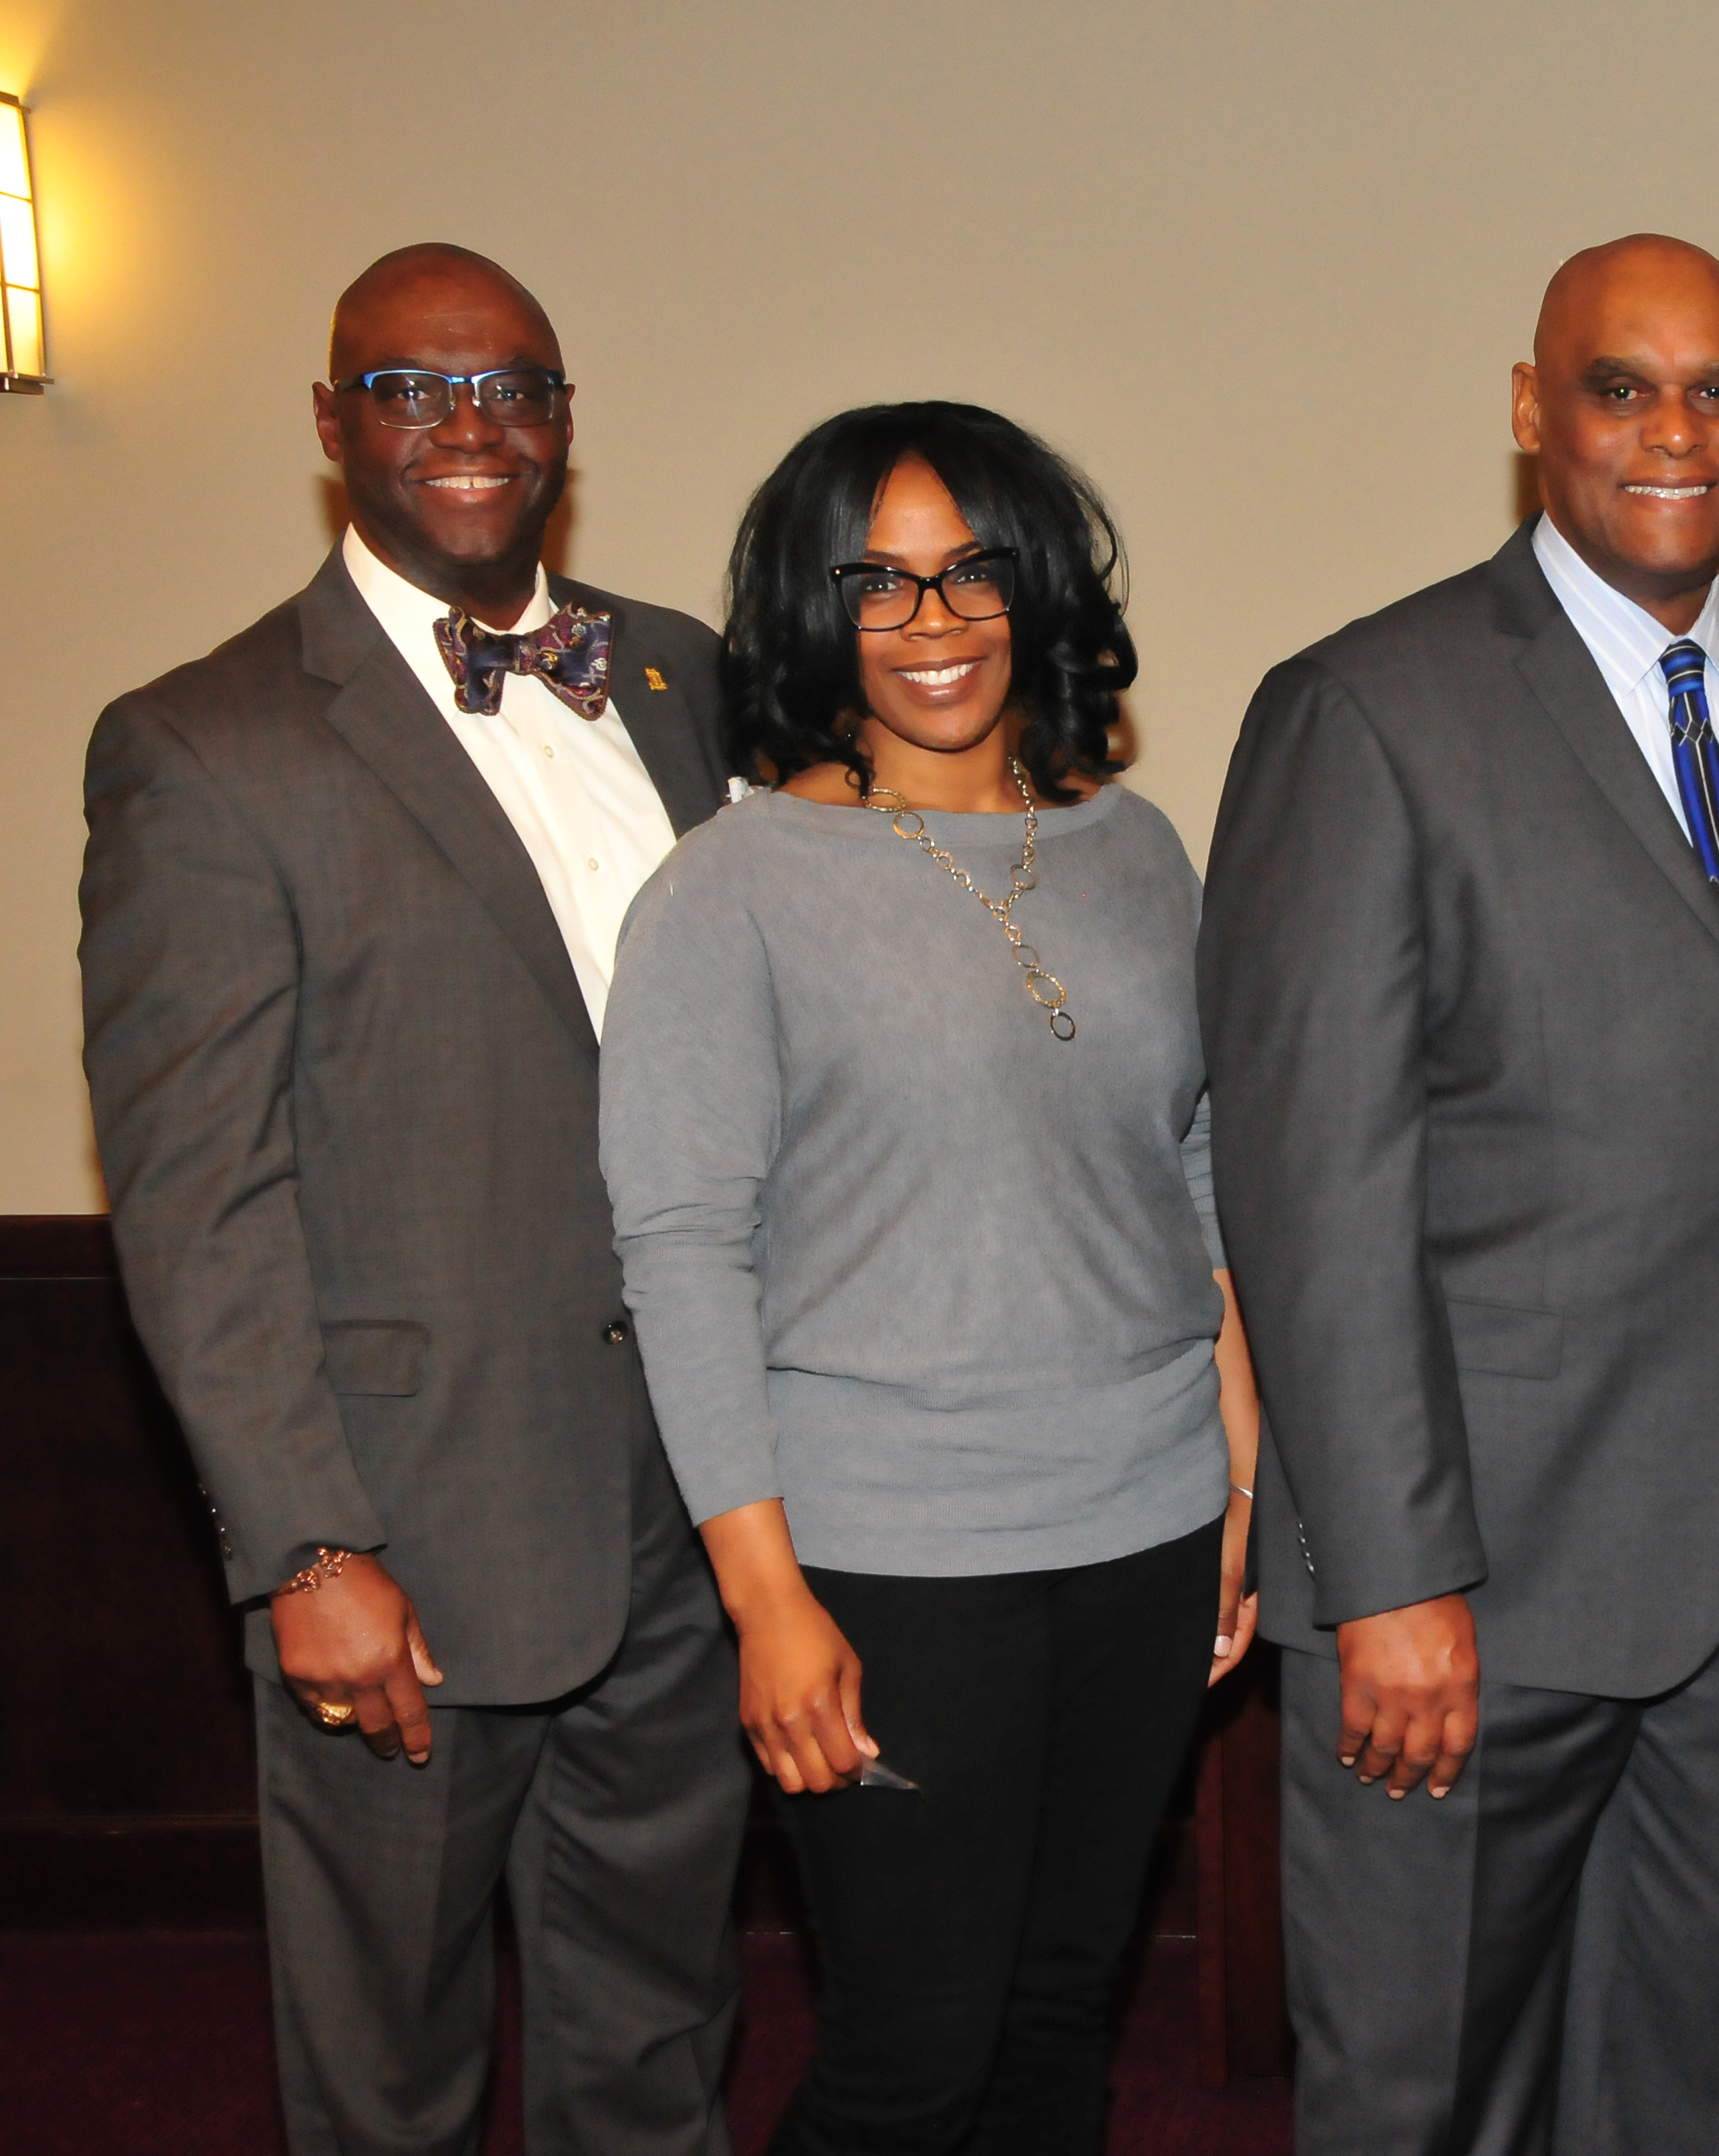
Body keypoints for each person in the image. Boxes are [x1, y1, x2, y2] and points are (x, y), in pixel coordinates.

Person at [1197, 234, 1719, 2154]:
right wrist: (1392, 1576)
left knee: (1697, 2099)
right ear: (1533, 412)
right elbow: (1310, 1184)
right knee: (1426, 2100)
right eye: (1620, 386)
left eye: (1716, 387)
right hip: (1471, 1598)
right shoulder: (1368, 708)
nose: (1671, 431)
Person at [76, 245, 748, 2154]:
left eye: (511, 385)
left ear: (563, 423)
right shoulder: (206, 741)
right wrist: (304, 1545)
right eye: (412, 386)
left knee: (660, 2032)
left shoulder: (677, 675)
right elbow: (197, 1194)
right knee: (392, 2071)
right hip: (407, 1539)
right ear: (327, 422)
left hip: (693, 1510)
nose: (470, 424)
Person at [598, 402, 1260, 2154]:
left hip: (1143, 1520)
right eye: (876, 581)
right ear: (813, 618)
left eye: (972, 569)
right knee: (912, 2048)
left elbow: (1193, 1165)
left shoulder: (1136, 847)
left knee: (1059, 2012)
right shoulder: (729, 890)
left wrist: (1240, 1475)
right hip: (888, 1556)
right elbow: (680, 1248)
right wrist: (764, 1599)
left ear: (1036, 590)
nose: (935, 616)